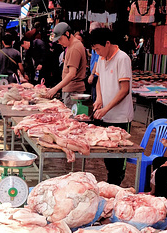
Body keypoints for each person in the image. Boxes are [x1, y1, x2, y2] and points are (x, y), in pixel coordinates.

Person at [90, 27, 134, 186]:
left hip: (121, 117)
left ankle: (115, 189)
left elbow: (124, 90)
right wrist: (100, 99)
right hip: (106, 115)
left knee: (117, 161)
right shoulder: (101, 59)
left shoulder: (122, 58)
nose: (97, 52)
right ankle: (110, 188)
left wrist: (106, 108)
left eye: (98, 49)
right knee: (108, 158)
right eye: (94, 49)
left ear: (107, 43)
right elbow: (99, 81)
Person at [46, 22, 87, 109]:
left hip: (73, 91)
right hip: (71, 90)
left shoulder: (75, 47)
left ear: (67, 34)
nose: (59, 42)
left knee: (70, 120)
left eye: (60, 39)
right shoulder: (71, 46)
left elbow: (72, 74)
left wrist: (55, 88)